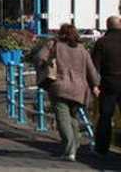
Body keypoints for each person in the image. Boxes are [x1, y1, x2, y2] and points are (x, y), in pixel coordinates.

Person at [37, 23, 100, 162]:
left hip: (60, 87)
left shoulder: (54, 44)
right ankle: (75, 146)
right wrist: (95, 85)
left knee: (63, 119)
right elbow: (91, 70)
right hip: (79, 90)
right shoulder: (82, 49)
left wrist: (46, 65)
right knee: (72, 118)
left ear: (61, 33)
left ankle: (70, 150)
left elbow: (40, 57)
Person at [93, 16, 121, 158]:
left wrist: (95, 85)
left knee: (105, 116)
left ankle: (102, 148)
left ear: (107, 26)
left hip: (109, 83)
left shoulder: (102, 42)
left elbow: (95, 66)